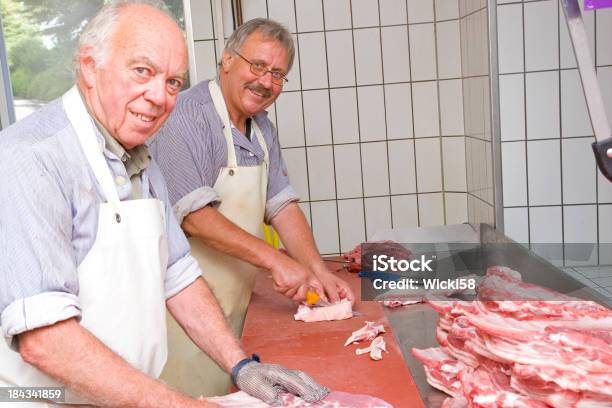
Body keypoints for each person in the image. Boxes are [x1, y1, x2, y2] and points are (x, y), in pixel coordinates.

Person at [0, 2, 328, 407]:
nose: (159, 96)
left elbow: (179, 274)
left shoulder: (140, 158)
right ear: (89, 66)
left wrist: (241, 366)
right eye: (142, 71)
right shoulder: (30, 158)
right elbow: (44, 340)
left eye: (173, 82)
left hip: (121, 394)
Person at [149, 17, 355, 397]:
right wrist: (276, 261)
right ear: (227, 60)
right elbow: (195, 218)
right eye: (257, 66)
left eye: (278, 74)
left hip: (236, 303)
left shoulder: (261, 128)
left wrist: (316, 270)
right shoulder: (186, 119)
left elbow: (282, 207)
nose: (266, 82)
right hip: (182, 313)